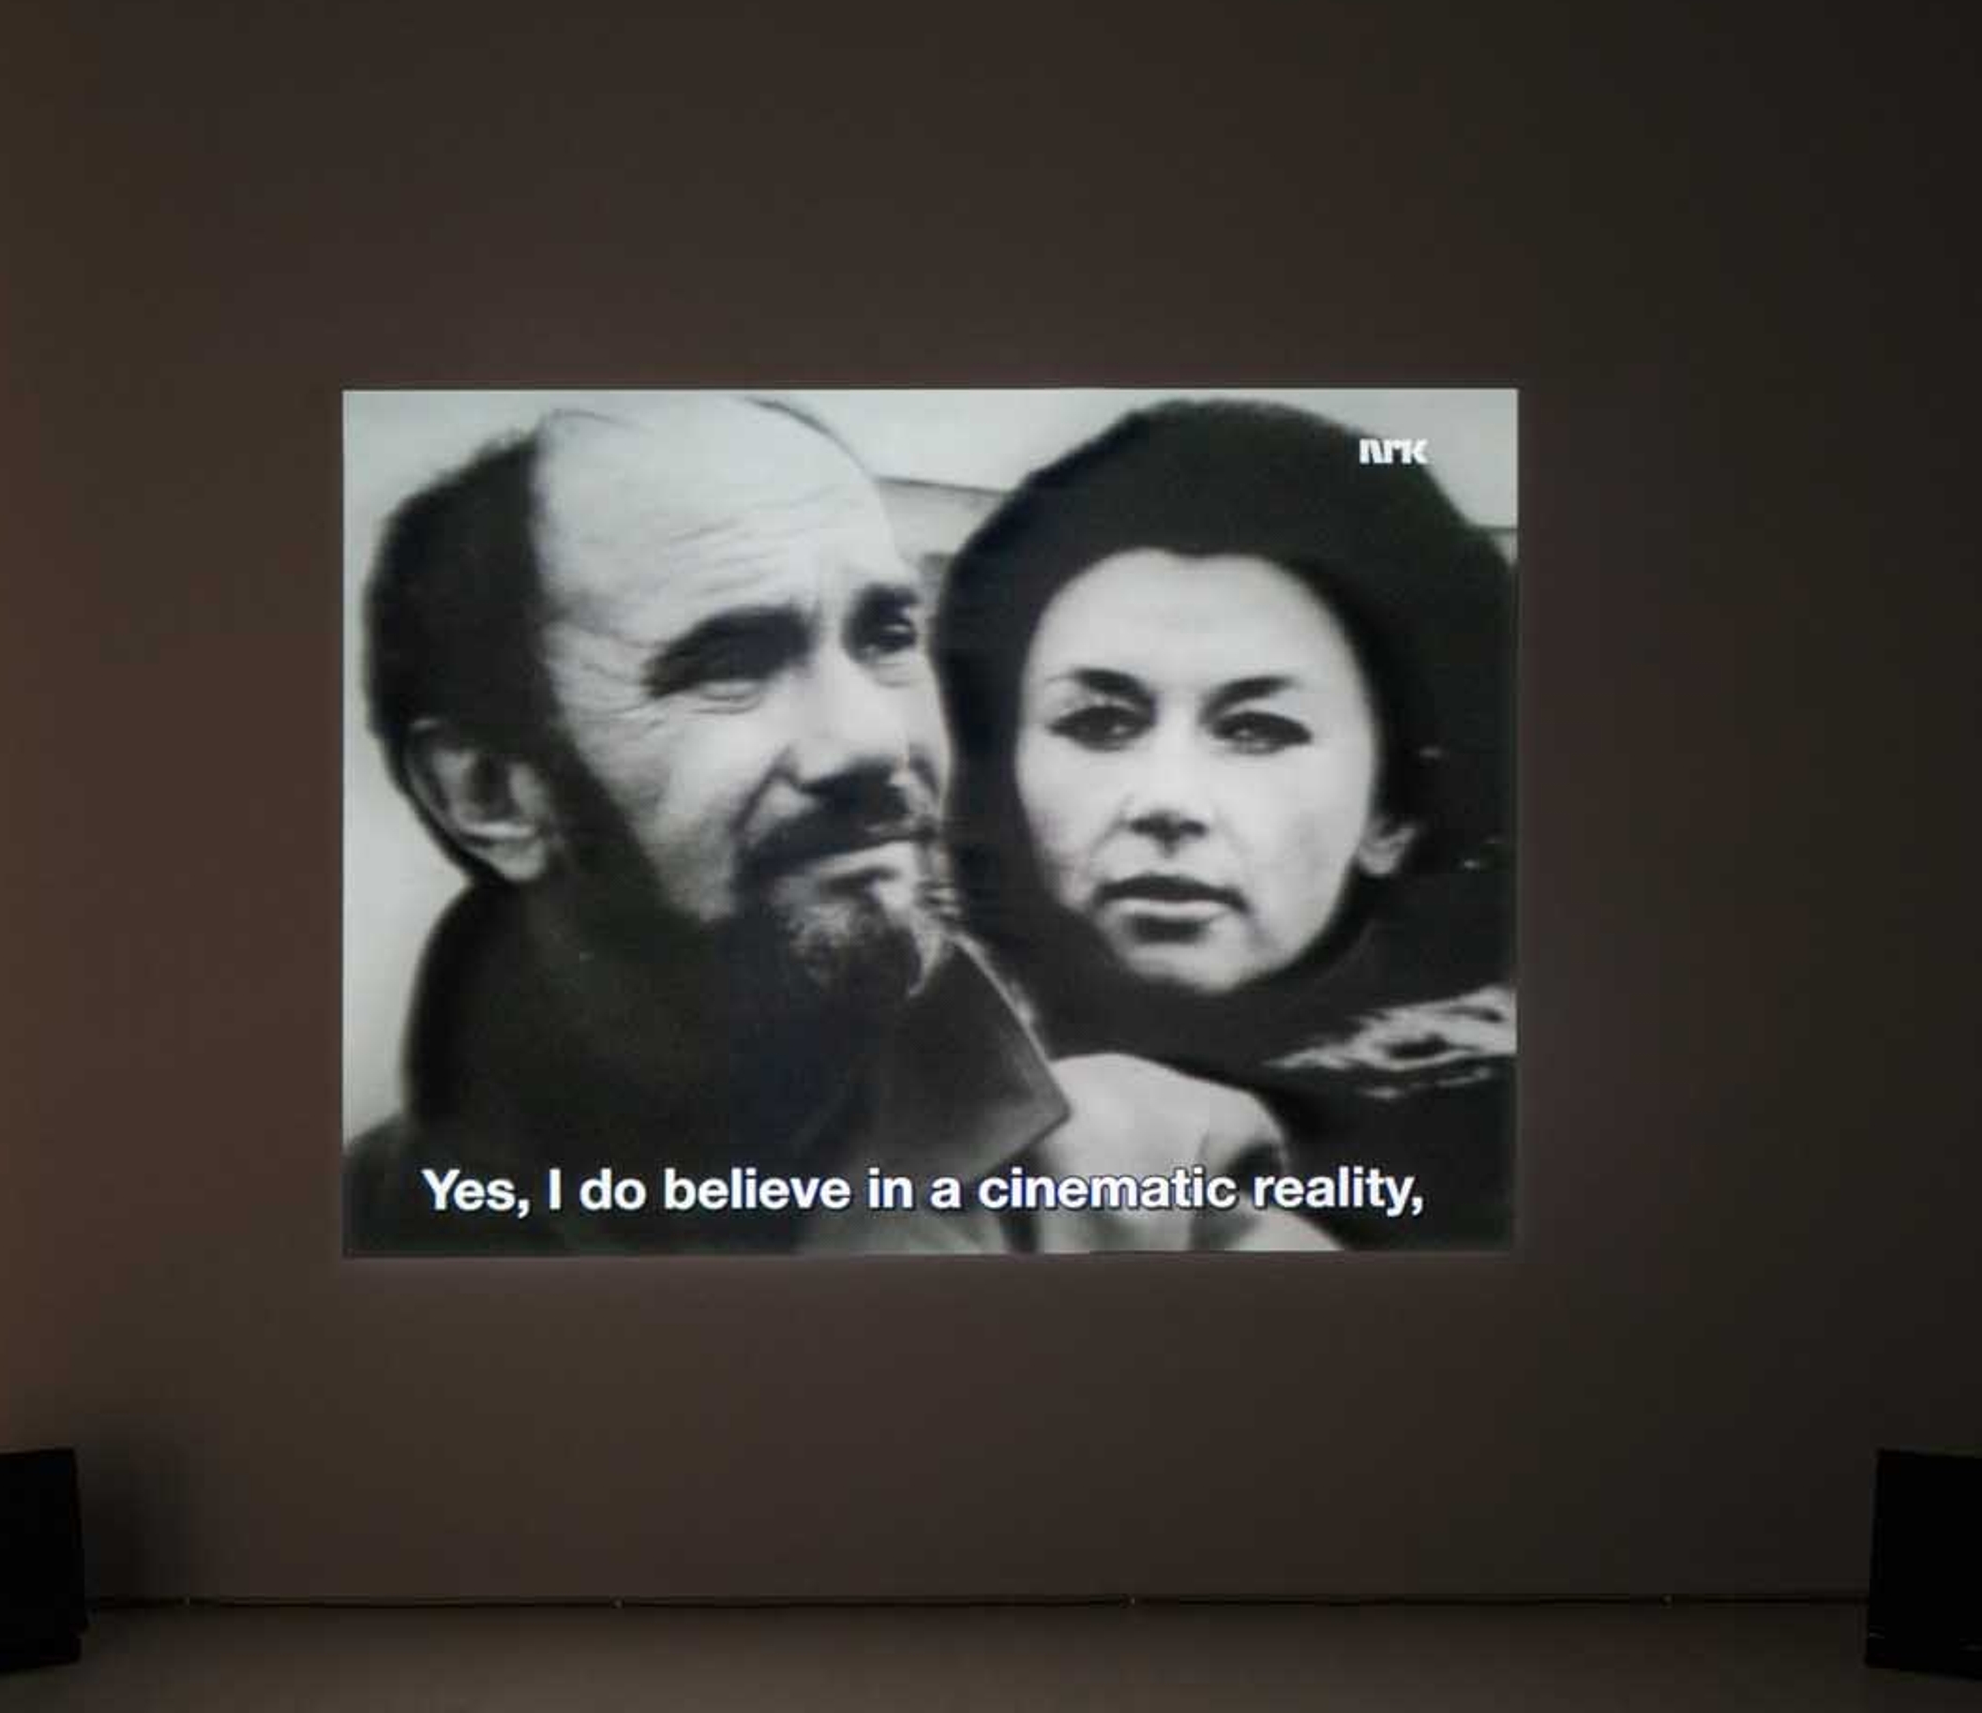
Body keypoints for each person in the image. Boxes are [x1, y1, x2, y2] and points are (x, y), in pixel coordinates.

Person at [344, 396, 1328, 1254]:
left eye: (888, 636)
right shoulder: (348, 1234)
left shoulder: (1156, 1185)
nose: (873, 741)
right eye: (729, 662)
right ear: (488, 795)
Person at [937, 399, 1517, 1249]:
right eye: (1099, 722)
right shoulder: (888, 1112)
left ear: (1392, 813)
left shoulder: (1526, 1160)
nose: (1168, 801)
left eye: (1258, 729)